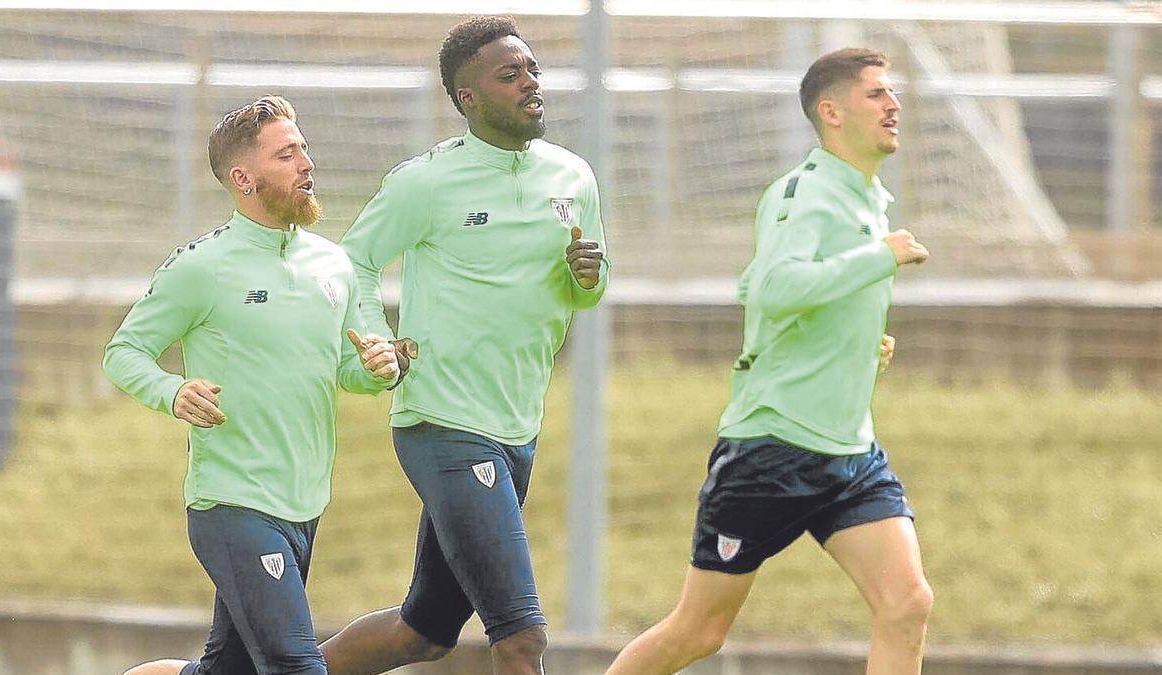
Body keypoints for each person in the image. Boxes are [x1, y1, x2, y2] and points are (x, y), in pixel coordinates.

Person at [604, 48, 933, 675]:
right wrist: (880, 257)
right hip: (772, 448)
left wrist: (860, 348)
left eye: (894, 94)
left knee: (907, 602)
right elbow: (773, 289)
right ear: (831, 112)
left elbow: (802, 296)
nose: (894, 105)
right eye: (877, 94)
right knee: (698, 633)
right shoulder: (803, 191)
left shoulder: (867, 197)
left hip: (849, 452)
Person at [319, 15, 608, 675]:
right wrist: (377, 340)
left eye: (532, 69)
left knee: (421, 633)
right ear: (470, 99)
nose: (530, 82)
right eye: (510, 75)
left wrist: (586, 277)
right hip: (442, 422)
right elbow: (352, 263)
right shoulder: (425, 181)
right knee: (521, 636)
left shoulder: (574, 178)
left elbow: (587, 290)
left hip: (516, 427)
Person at [104, 95, 401, 675]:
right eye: (287, 154)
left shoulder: (333, 265)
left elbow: (350, 367)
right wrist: (172, 392)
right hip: (231, 503)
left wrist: (376, 369)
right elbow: (124, 352)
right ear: (244, 178)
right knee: (296, 665)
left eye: (304, 148)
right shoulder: (201, 267)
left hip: (305, 503)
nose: (306, 163)